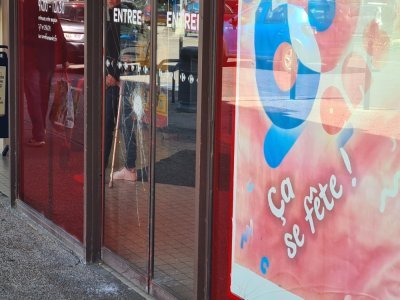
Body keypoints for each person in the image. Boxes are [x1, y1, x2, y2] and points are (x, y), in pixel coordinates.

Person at [23, 0, 68, 147]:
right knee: (42, 96)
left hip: (31, 59)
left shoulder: (24, 8)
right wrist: (64, 58)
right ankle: (41, 129)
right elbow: (58, 31)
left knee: (33, 98)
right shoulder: (47, 5)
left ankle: (39, 134)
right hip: (47, 59)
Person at [105, 0, 137, 182]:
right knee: (118, 121)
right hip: (119, 75)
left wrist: (114, 74)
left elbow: (121, 48)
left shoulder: (120, 14)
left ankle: (129, 167)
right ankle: (125, 166)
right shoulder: (121, 12)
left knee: (123, 121)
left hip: (121, 76)